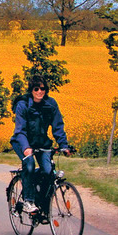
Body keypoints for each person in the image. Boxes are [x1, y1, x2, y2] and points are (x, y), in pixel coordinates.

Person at [10, 75, 70, 213]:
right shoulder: (23, 105)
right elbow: (20, 130)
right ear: (31, 90)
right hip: (22, 142)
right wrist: (26, 148)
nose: (39, 92)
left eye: (42, 89)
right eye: (36, 89)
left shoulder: (51, 104)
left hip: (41, 143)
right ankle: (28, 201)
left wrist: (64, 145)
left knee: (48, 172)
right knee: (29, 164)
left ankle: (40, 201)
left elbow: (58, 126)